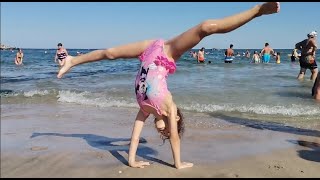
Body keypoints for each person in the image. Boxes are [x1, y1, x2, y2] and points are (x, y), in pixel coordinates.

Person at [57, 2, 280, 169]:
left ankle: (72, 61)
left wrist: (132, 161)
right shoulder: (169, 106)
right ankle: (258, 9)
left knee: (111, 53)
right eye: (165, 130)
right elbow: (175, 136)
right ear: (175, 119)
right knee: (205, 27)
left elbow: (134, 136)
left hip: (149, 52)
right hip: (166, 51)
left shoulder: (145, 110)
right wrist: (178, 163)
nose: (160, 131)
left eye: (160, 133)